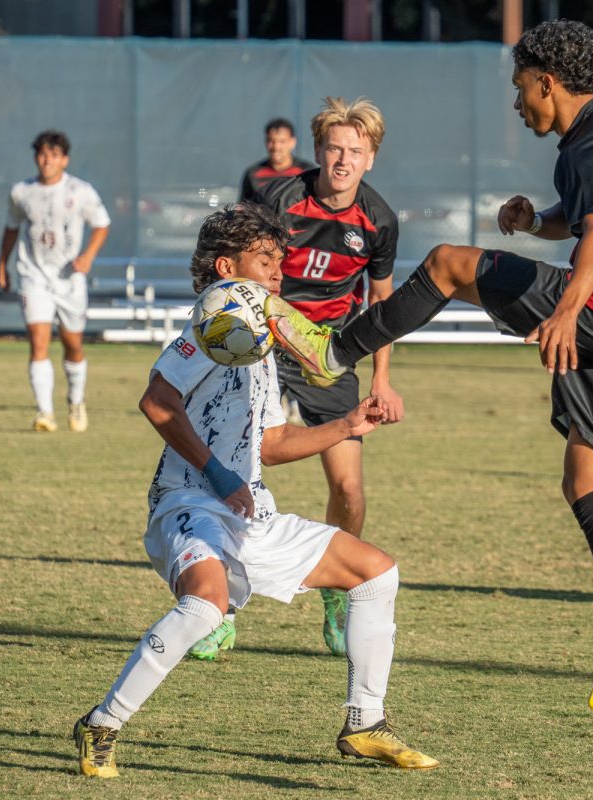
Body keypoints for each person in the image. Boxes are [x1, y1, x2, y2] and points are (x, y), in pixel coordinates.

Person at [268, 20, 593, 714]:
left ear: (548, 82)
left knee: (447, 264)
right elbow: (590, 217)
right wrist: (538, 219)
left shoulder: (590, 143)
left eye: (521, 88)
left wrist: (569, 312)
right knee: (586, 481)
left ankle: (332, 348)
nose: (518, 103)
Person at [72, 203, 437, 779]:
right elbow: (157, 401)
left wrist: (344, 426)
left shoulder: (255, 341)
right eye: (264, 260)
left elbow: (270, 440)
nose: (277, 273)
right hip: (189, 503)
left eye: (280, 261)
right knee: (205, 604)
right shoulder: (213, 327)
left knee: (375, 572)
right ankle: (102, 723)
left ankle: (365, 723)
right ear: (225, 267)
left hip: (250, 513)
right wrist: (218, 476)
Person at [187, 98, 402, 662]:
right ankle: (218, 607)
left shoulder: (378, 221)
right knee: (234, 471)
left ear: (371, 159)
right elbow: (235, 259)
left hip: (327, 356)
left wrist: (382, 377)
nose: (342, 159)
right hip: (263, 345)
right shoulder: (281, 198)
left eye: (355, 151)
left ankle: (334, 593)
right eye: (334, 147)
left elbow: (382, 305)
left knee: (349, 488)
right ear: (318, 149)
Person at [0, 129, 110, 432]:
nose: (47, 161)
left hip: (69, 279)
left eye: (53, 155)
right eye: (42, 154)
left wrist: (87, 257)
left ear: (64, 159)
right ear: (36, 157)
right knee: (38, 341)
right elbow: (10, 228)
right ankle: (44, 412)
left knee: (73, 344)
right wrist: (2, 265)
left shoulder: (80, 190)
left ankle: (75, 401)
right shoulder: (21, 191)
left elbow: (101, 225)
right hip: (33, 275)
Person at [239, 117, 315, 204]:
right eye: (271, 141)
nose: (276, 147)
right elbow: (243, 209)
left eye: (282, 141)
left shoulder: (307, 171)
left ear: (292, 142)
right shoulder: (253, 174)